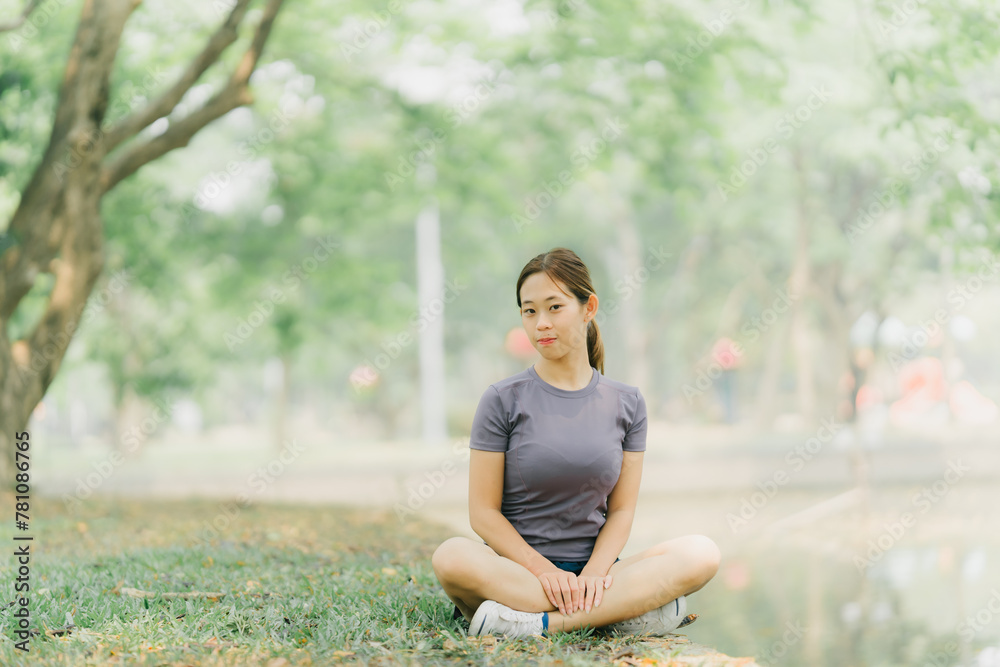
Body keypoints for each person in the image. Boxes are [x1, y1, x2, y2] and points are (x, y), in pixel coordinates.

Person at [431, 247, 720, 638]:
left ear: (589, 307)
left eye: (554, 307)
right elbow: (483, 514)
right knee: (451, 557)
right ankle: (617, 615)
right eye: (529, 311)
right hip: (518, 573)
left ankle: (538, 624)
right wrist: (545, 572)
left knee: (702, 553)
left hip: (597, 575)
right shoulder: (502, 399)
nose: (540, 324)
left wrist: (596, 574)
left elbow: (620, 512)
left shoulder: (627, 402)